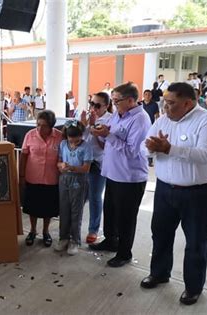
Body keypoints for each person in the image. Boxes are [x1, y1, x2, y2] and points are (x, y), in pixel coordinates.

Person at [141, 82, 207, 306]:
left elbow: (205, 156)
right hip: (165, 189)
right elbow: (144, 146)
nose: (165, 107)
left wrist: (169, 149)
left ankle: (193, 287)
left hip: (200, 194)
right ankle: (159, 273)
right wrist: (151, 147)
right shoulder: (163, 120)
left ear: (188, 103)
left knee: (196, 242)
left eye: (171, 103)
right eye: (164, 103)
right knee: (160, 234)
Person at [89, 82, 151, 268]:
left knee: (126, 217)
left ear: (131, 100)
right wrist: (97, 130)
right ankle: (110, 241)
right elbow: (108, 134)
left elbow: (133, 151)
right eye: (113, 101)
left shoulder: (140, 119)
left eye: (117, 101)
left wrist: (108, 135)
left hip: (129, 177)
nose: (113, 105)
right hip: (112, 173)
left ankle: (124, 253)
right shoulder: (118, 114)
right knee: (111, 210)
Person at [20, 110, 63, 247]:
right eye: (38, 124)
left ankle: (46, 231)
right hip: (32, 176)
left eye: (43, 125)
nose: (39, 128)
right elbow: (24, 156)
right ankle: (32, 231)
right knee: (32, 207)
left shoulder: (60, 137)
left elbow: (64, 156)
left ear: (51, 125)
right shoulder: (30, 135)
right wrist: (21, 175)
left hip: (51, 178)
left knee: (48, 208)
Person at [54, 120, 92, 255]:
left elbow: (86, 168)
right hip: (64, 179)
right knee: (64, 209)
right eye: (71, 139)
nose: (74, 142)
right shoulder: (63, 144)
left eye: (77, 139)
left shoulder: (86, 147)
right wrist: (61, 166)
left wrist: (72, 167)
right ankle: (63, 238)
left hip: (79, 180)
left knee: (76, 211)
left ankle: (74, 240)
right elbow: (58, 162)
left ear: (82, 135)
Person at [80, 92, 112, 244]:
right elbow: (79, 138)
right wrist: (82, 124)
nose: (93, 108)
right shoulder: (88, 116)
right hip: (83, 161)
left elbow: (105, 145)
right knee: (79, 196)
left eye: (97, 105)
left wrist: (92, 126)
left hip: (98, 162)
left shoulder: (110, 119)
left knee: (94, 196)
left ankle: (93, 229)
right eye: (92, 104)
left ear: (106, 106)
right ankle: (73, 228)